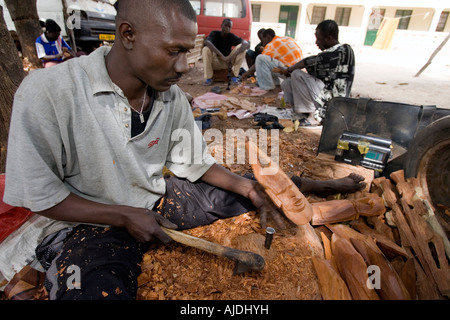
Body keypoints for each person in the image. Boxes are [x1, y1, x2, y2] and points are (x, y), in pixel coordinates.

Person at [2, 0, 365, 300]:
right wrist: (124, 215)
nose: (182, 67)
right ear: (127, 35)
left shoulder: (170, 96)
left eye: (187, 52)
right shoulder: (48, 92)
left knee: (248, 192)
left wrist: (251, 188)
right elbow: (41, 197)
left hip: (156, 200)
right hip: (87, 222)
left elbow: (194, 163)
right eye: (174, 51)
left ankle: (311, 186)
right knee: (94, 288)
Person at [280, 20, 355, 126]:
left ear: (329, 38)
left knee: (296, 74)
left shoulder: (332, 55)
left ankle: (313, 117)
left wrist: (288, 70)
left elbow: (306, 62)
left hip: (335, 101)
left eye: (318, 39)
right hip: (329, 94)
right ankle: (301, 113)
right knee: (287, 82)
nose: (316, 43)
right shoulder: (346, 49)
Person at [202, 18, 249, 85]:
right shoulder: (214, 33)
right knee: (206, 49)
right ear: (221, 26)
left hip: (228, 62)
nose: (227, 28)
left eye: (229, 26)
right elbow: (207, 42)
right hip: (216, 62)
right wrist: (222, 56)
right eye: (225, 26)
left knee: (242, 48)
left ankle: (234, 76)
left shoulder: (231, 36)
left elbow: (246, 43)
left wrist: (233, 56)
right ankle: (209, 78)